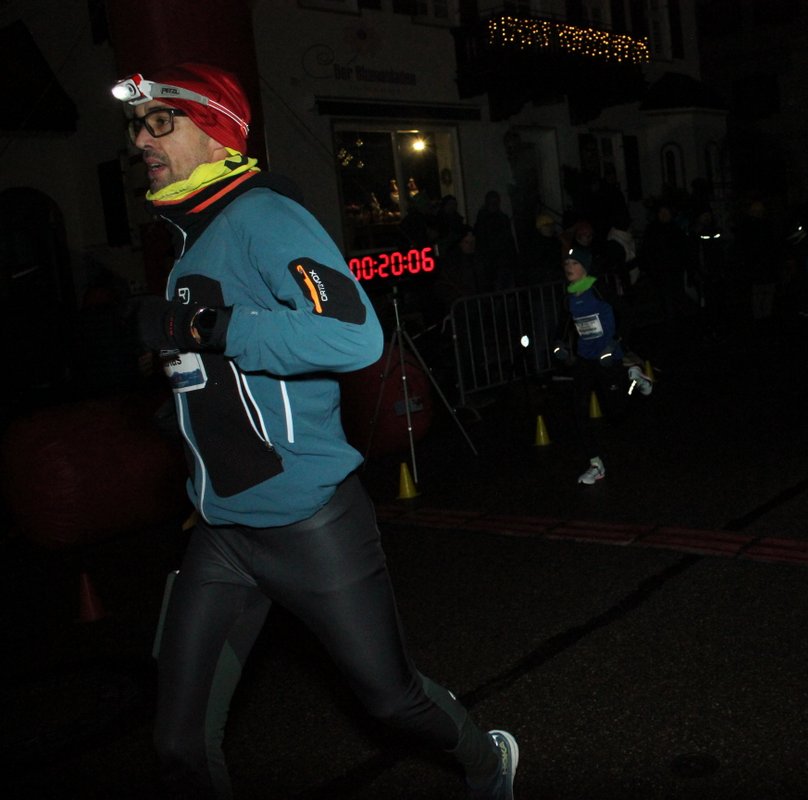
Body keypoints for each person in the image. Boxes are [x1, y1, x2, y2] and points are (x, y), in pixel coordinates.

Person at [113, 63, 517, 799]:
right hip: (221, 531)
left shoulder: (261, 216)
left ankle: (487, 762)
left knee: (391, 700)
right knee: (178, 743)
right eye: (137, 125)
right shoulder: (192, 239)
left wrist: (201, 327)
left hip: (309, 525)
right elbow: (218, 374)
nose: (142, 138)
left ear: (218, 132)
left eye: (161, 121)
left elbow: (353, 338)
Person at [556, 247, 651, 485]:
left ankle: (634, 377)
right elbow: (563, 325)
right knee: (578, 409)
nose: (569, 267)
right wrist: (559, 345)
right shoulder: (569, 296)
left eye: (574, 263)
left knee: (616, 412)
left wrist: (615, 343)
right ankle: (595, 464)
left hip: (607, 356)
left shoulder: (599, 289)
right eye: (567, 263)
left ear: (585, 267)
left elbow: (627, 314)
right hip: (585, 359)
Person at [474, 189, 519, 290]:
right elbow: (481, 241)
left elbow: (509, 240)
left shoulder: (502, 218)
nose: (494, 205)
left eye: (495, 202)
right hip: (491, 263)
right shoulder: (483, 219)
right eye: (492, 202)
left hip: (503, 261)